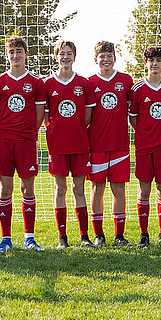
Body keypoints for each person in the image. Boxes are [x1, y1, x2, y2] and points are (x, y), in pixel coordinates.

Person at [0, 36, 48, 252]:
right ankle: (6, 239)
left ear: (26, 54)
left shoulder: (36, 82)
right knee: (5, 189)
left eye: (19, 51)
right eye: (12, 51)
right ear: (7, 55)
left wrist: (28, 132)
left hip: (26, 141)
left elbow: (39, 113)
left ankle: (29, 238)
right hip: (4, 140)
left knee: (27, 189)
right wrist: (6, 128)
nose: (15, 55)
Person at [43, 41, 95, 249]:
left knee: (79, 188)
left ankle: (84, 236)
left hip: (80, 144)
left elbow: (88, 115)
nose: (65, 57)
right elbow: (45, 115)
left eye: (69, 53)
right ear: (56, 57)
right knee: (60, 188)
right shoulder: (47, 84)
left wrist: (78, 129)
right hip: (57, 146)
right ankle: (62, 238)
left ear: (75, 57)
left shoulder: (83, 83)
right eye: (62, 53)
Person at [129, 45, 161, 246]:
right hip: (143, 146)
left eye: (159, 60)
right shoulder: (137, 89)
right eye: (151, 60)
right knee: (144, 190)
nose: (155, 64)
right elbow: (133, 120)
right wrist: (146, 134)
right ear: (145, 63)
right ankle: (144, 234)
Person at [87, 41, 134, 246]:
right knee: (97, 188)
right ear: (95, 59)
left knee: (119, 188)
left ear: (115, 58)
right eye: (102, 56)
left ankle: (119, 235)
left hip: (120, 144)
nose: (106, 60)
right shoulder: (89, 82)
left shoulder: (126, 80)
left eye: (109, 56)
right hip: (96, 145)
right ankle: (99, 235)